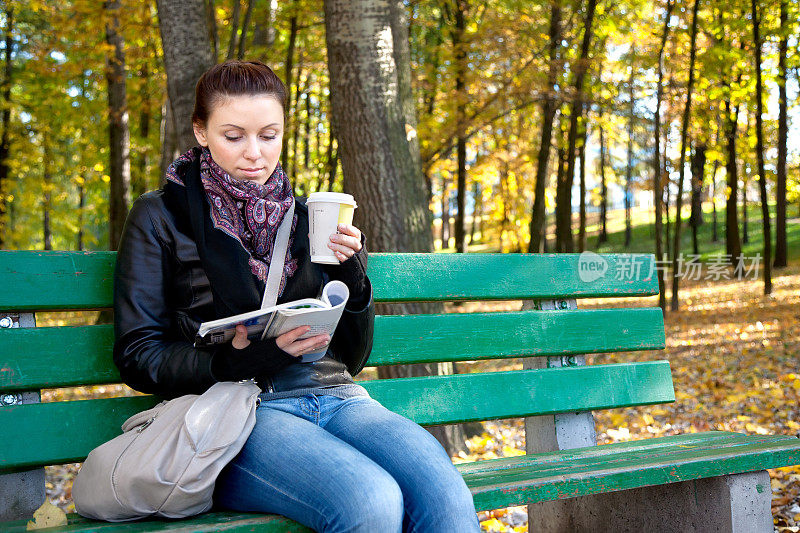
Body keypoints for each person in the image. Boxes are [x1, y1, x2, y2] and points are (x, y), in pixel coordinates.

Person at [113, 59, 480, 532]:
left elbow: (353, 358)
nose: (254, 154)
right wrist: (228, 363)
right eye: (234, 135)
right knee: (369, 499)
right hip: (238, 415)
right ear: (201, 132)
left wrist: (354, 278)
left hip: (336, 396)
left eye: (268, 135)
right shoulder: (161, 215)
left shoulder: (310, 215)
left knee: (444, 491)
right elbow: (137, 352)